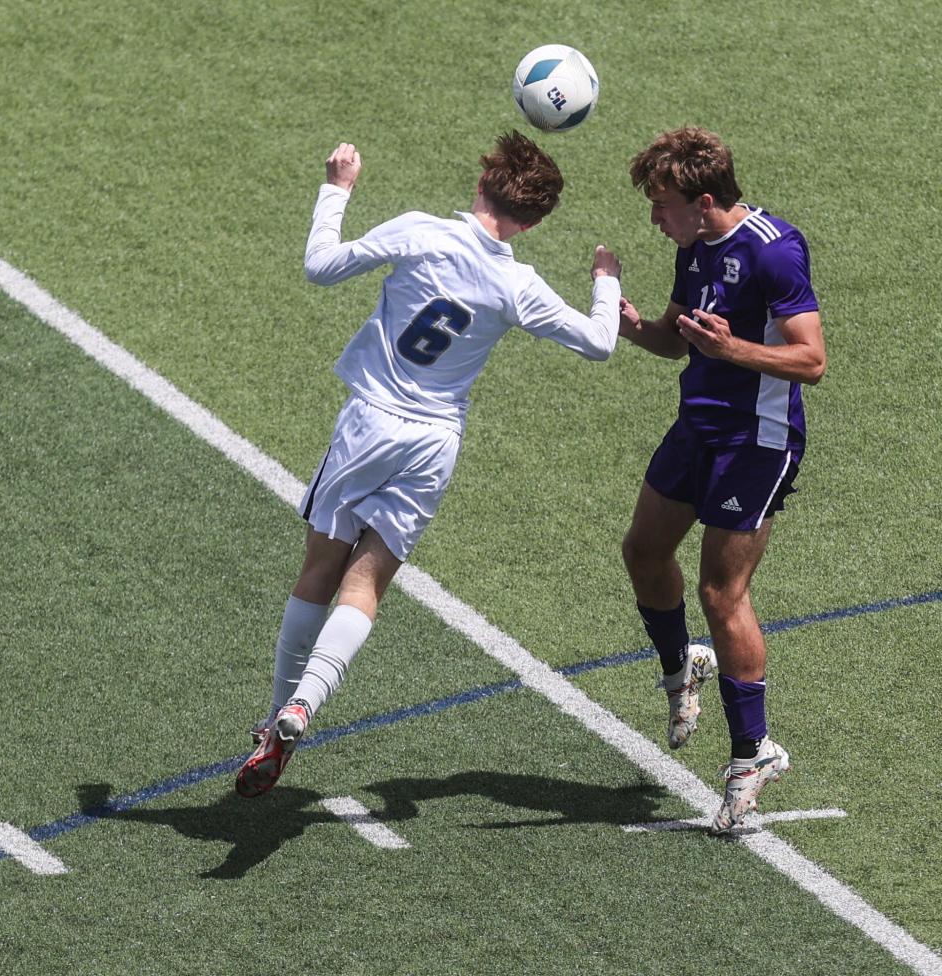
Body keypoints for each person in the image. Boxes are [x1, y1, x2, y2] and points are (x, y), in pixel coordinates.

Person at [236, 132, 622, 798]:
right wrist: (606, 281)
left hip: (367, 426)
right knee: (367, 583)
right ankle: (307, 707)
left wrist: (338, 187)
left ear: (482, 185)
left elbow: (320, 264)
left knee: (320, 571)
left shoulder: (418, 232)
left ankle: (278, 714)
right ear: (531, 222)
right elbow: (598, 343)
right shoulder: (516, 284)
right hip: (434, 444)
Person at [617, 127, 825, 833]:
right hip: (698, 427)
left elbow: (812, 360)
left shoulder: (774, 248)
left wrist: (731, 348)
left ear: (705, 200)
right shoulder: (694, 247)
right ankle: (682, 674)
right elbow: (676, 337)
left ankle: (751, 755)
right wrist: (628, 324)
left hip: (757, 440)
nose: (655, 217)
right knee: (643, 551)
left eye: (663, 204)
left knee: (720, 589)